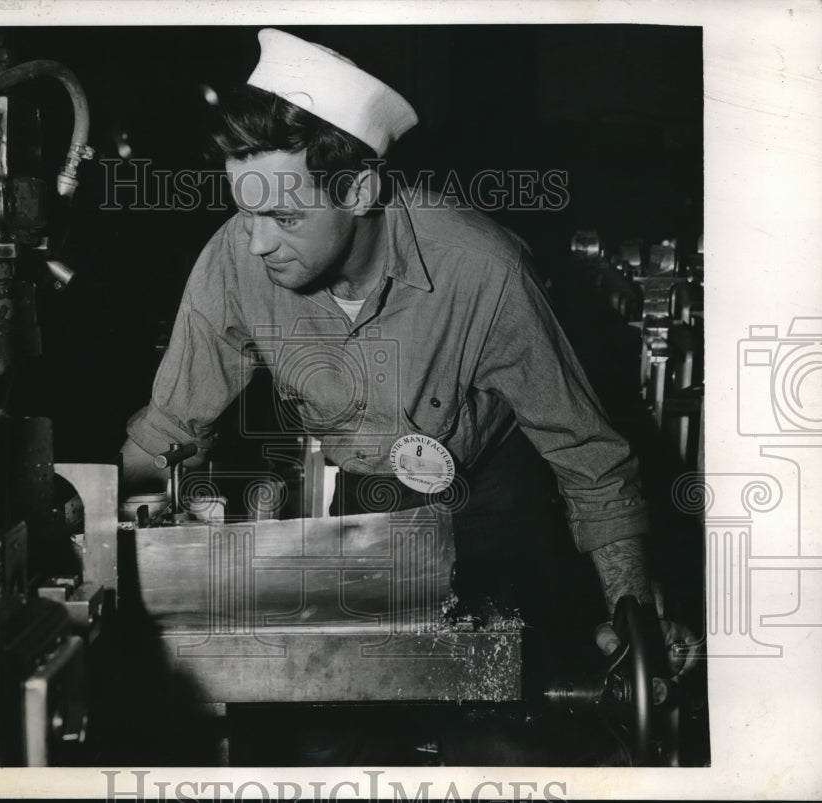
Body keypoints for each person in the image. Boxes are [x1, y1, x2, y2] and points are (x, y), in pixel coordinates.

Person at [121, 28, 692, 671]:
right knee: (329, 705)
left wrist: (633, 618)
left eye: (284, 218)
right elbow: (170, 427)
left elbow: (588, 458)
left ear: (359, 192)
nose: (255, 243)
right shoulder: (235, 256)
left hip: (487, 503)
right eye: (245, 213)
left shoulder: (483, 272)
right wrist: (109, 551)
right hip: (349, 501)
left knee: (489, 707)